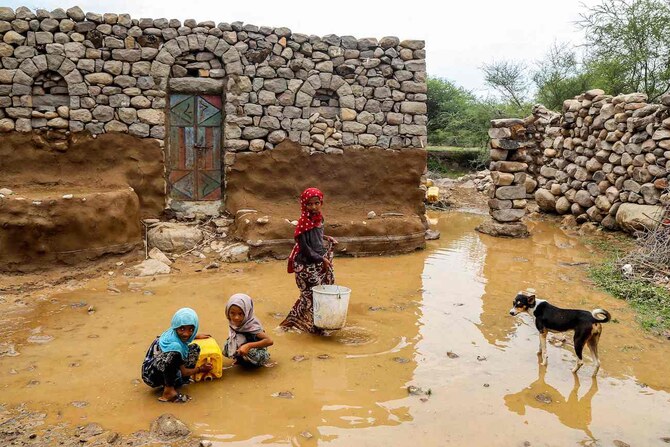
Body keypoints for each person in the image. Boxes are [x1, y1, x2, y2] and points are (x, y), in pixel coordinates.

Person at [280, 187, 337, 334]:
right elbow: (304, 247)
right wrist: (322, 259)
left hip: (316, 262)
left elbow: (317, 234)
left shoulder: (319, 218)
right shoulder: (303, 222)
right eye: (309, 204)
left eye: (316, 203)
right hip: (305, 265)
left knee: (313, 295)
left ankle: (293, 322)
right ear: (304, 205)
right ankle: (315, 328)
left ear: (321, 203)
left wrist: (327, 238)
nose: (313, 207)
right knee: (312, 296)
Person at [141, 307, 212, 403]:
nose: (186, 334)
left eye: (191, 329)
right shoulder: (174, 346)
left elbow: (185, 335)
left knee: (195, 348)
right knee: (175, 354)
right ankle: (168, 392)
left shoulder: (172, 333)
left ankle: (179, 382)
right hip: (151, 375)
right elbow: (184, 372)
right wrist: (201, 369)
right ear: (176, 327)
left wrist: (195, 336)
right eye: (182, 329)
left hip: (162, 366)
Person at [224, 293, 273, 367]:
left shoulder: (252, 326)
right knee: (228, 344)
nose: (236, 317)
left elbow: (269, 341)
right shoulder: (234, 323)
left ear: (247, 312)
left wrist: (248, 346)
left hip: (257, 350)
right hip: (243, 347)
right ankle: (240, 360)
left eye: (240, 314)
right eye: (232, 313)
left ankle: (256, 363)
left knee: (250, 352)